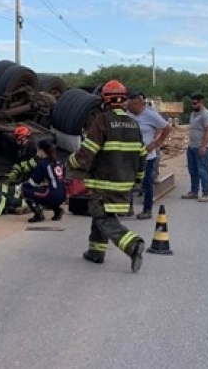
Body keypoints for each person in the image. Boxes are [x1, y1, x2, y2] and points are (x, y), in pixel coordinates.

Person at [66, 80, 147, 273]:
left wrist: (70, 162)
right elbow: (142, 154)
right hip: (124, 182)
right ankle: (96, 252)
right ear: (124, 101)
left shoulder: (102, 121)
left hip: (104, 183)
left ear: (105, 100)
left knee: (103, 218)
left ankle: (132, 245)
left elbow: (87, 152)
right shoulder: (133, 124)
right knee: (100, 214)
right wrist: (138, 179)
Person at [127, 91, 172, 219]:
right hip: (130, 156)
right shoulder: (128, 115)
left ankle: (147, 210)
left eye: (130, 106)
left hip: (147, 157)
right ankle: (128, 207)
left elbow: (167, 128)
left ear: (137, 104)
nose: (128, 109)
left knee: (146, 183)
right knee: (128, 182)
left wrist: (156, 143)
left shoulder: (150, 115)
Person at [21, 139, 67, 223]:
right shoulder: (60, 162)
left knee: (24, 189)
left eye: (38, 149)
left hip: (52, 195)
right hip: (63, 195)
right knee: (48, 189)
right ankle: (57, 210)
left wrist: (22, 184)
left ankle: (38, 215)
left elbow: (33, 182)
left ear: (42, 151)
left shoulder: (43, 163)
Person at [181, 94, 208, 202]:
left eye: (195, 103)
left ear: (201, 102)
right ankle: (194, 191)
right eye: (192, 103)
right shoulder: (193, 114)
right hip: (192, 146)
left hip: (201, 146)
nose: (193, 105)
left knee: (202, 170)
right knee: (192, 170)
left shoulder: (206, 114)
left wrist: (203, 146)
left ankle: (206, 193)